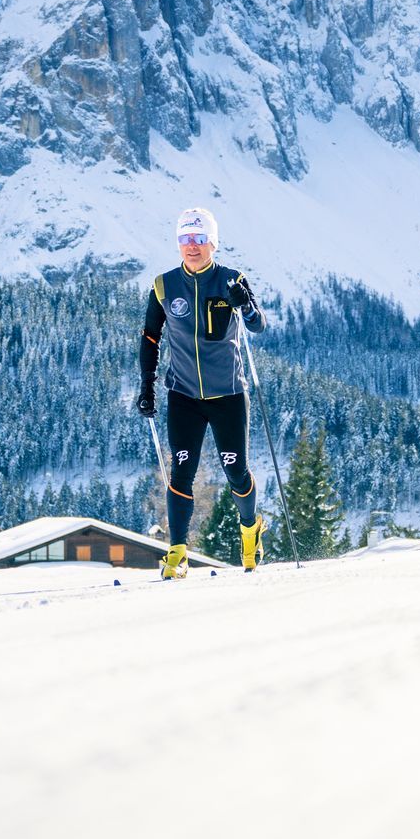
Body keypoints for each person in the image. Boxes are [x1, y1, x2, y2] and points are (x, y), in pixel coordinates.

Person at [137, 206, 266, 577]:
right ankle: (177, 553)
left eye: (198, 239)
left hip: (227, 394)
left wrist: (246, 306)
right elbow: (150, 336)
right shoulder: (164, 286)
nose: (191, 246)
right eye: (184, 239)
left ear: (212, 242)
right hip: (183, 395)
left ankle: (249, 530)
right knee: (181, 473)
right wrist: (147, 384)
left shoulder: (230, 280)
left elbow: (257, 326)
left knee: (236, 472)